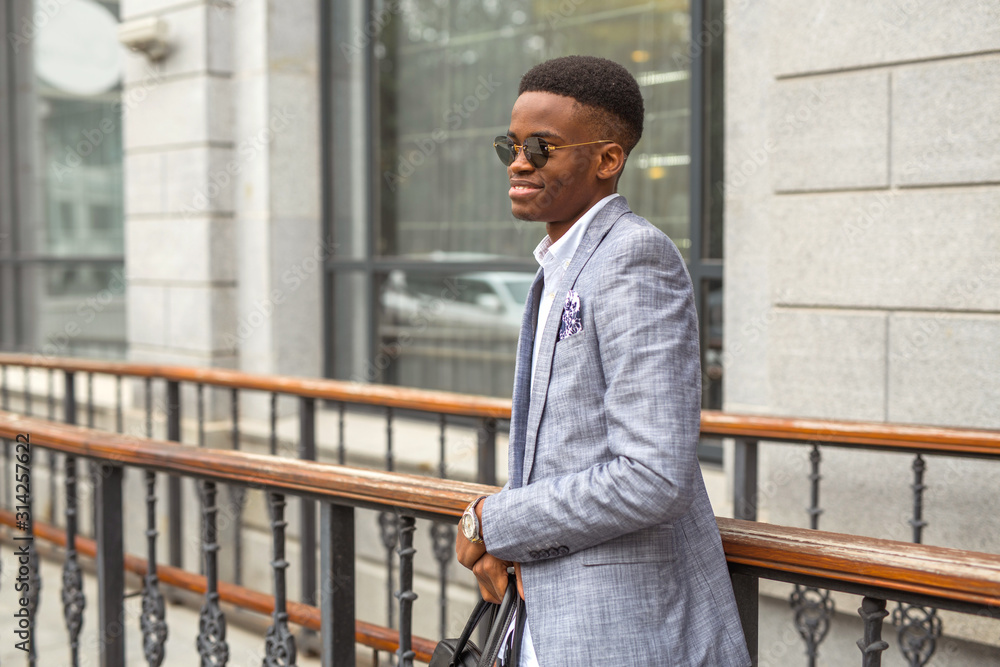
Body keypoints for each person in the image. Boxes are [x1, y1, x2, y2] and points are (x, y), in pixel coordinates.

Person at [455, 55, 751, 666]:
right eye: (511, 145)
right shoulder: (563, 262)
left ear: (607, 159)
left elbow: (652, 476)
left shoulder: (635, 257)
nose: (518, 161)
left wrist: (493, 520)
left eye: (542, 147)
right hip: (550, 617)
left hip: (622, 631)